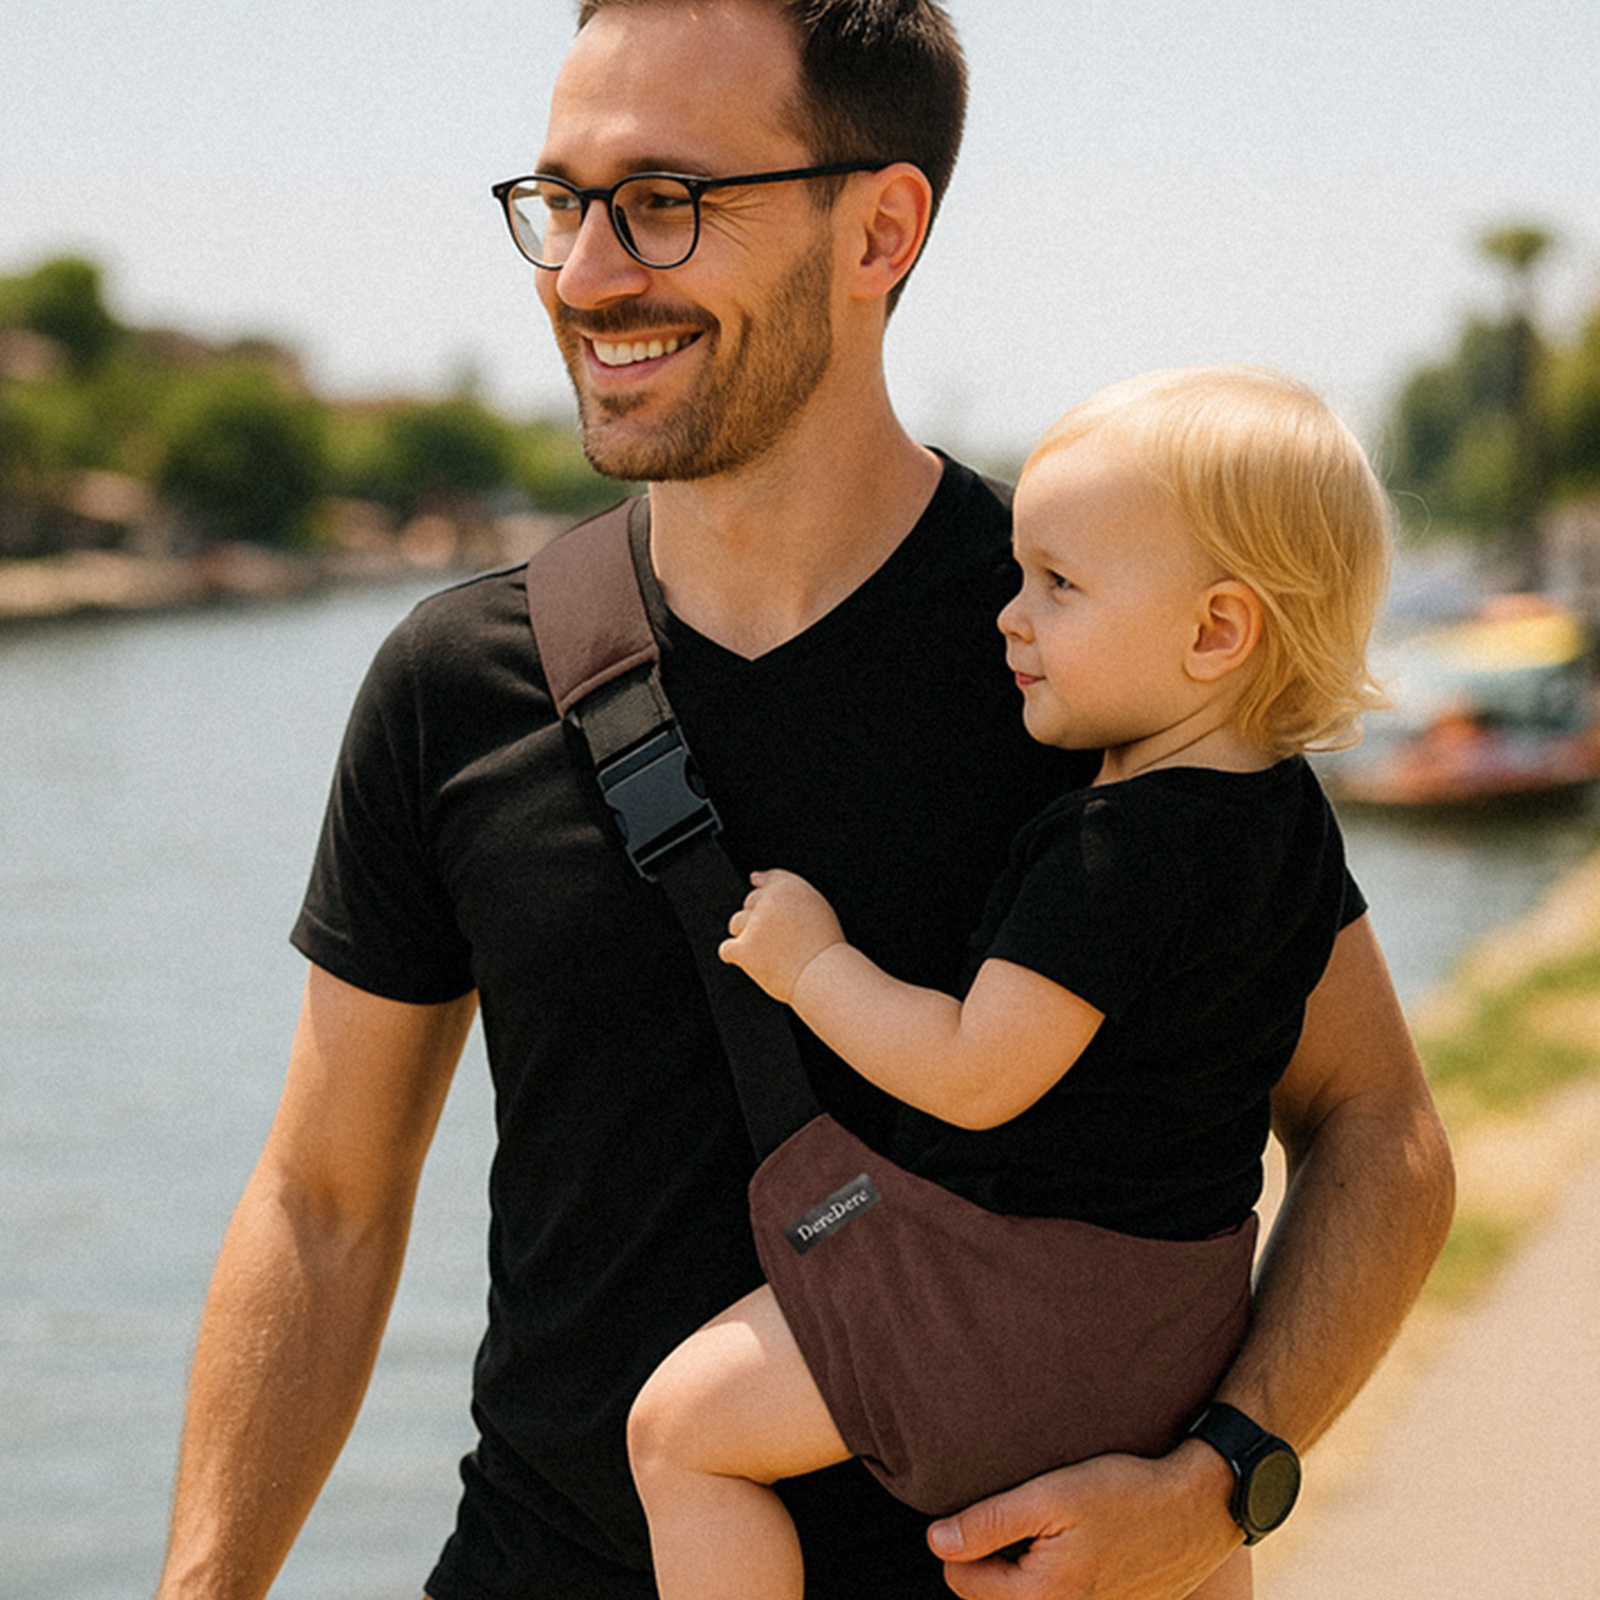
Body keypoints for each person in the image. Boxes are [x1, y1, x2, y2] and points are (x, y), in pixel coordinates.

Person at [155, 4, 1455, 1599]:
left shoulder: (1102, 658)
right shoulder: (453, 684)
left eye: (667, 197)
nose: (584, 274)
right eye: (561, 200)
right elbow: (323, 1204)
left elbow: (1376, 1129)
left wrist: (1226, 1481)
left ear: (881, 228)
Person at [625, 364, 1390, 1600]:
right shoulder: (1292, 824)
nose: (1008, 618)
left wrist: (811, 964)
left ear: (1214, 630)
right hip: (1187, 1323)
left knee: (680, 1435)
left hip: (1020, 1310)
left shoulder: (1111, 844)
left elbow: (978, 1071)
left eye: (1058, 586)